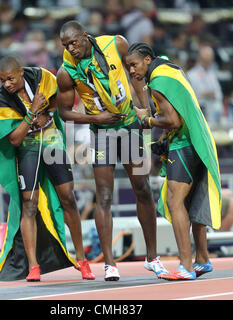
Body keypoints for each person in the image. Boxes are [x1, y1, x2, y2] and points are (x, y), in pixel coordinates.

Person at [56, 20, 168, 281]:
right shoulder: (65, 72)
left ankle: (152, 258)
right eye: (65, 45)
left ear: (85, 37)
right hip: (102, 132)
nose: (70, 48)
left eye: (74, 42)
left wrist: (144, 107)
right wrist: (97, 120)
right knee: (104, 195)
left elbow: (135, 76)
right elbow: (64, 113)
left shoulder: (116, 43)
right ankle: (109, 263)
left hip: (129, 125)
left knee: (142, 189)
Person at [0, 55, 95, 282]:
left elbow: (60, 100)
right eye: (2, 80)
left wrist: (48, 113)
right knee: (29, 204)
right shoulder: (2, 99)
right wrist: (33, 113)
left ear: (21, 72)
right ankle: (34, 266)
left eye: (10, 79)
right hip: (27, 147)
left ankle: (82, 260)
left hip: (52, 141)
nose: (7, 84)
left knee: (68, 198)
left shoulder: (41, 76)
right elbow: (14, 139)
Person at [125, 43, 222, 280]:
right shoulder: (169, 66)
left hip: (185, 144)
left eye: (134, 64)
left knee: (174, 201)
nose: (131, 71)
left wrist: (147, 120)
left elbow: (173, 121)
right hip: (201, 139)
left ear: (148, 60)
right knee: (193, 201)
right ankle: (202, 259)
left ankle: (186, 266)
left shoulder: (157, 82)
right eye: (128, 66)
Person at [187, 45, 224, 125]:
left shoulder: (212, 74)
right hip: (199, 113)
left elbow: (219, 93)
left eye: (210, 60)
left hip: (213, 112)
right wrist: (202, 95)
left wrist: (214, 95)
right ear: (200, 59)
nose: (208, 63)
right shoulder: (191, 75)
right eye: (205, 60)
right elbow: (187, 97)